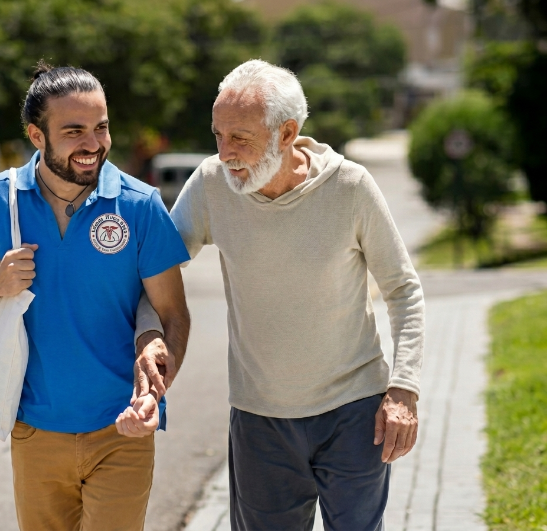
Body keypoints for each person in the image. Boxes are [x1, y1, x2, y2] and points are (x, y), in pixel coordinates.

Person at [133, 60, 425, 531]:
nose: (225, 153)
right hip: (260, 418)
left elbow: (404, 290)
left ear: (287, 133)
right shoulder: (211, 184)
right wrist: (150, 334)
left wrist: (404, 389)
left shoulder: (350, 187)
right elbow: (154, 274)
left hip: (354, 410)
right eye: (218, 135)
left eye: (240, 138)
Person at [0, 61, 191, 531]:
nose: (93, 144)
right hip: (34, 429)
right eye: (74, 131)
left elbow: (173, 314)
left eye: (101, 128)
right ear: (36, 135)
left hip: (121, 427)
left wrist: (157, 386)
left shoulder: (140, 206)